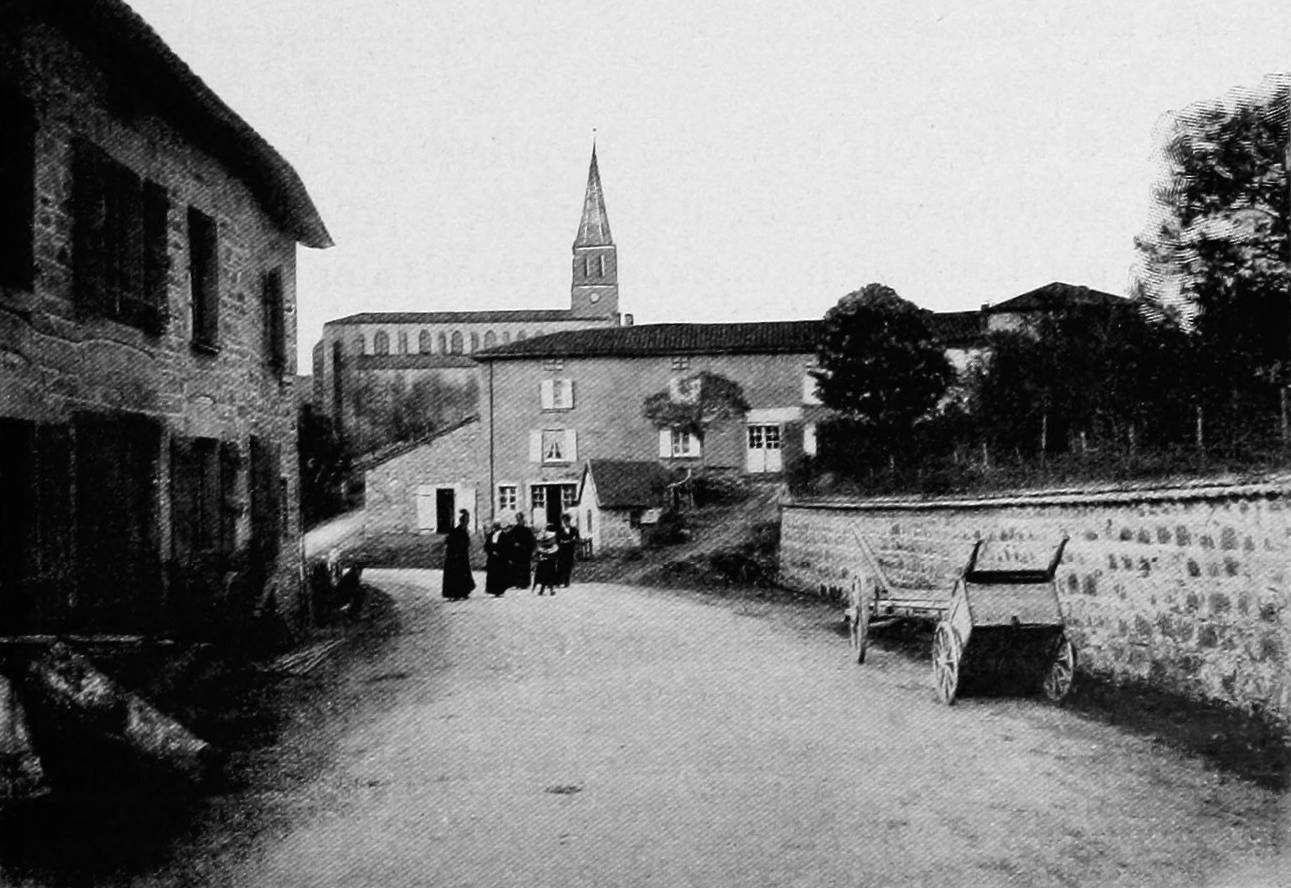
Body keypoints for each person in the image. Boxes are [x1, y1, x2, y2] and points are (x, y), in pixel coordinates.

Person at [441, 510, 476, 600]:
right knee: (456, 574)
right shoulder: (457, 531)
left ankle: (463, 592)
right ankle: (455, 593)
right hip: (455, 556)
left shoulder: (462, 530)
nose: (467, 523)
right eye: (466, 521)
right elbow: (450, 542)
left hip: (461, 555)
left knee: (463, 573)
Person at [507, 512, 536, 591]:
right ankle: (516, 583)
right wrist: (514, 543)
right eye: (517, 519)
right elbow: (508, 538)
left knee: (525, 567)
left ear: (523, 519)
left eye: (520, 519)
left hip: (525, 552)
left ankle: (524, 584)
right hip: (516, 552)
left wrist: (526, 548)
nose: (519, 521)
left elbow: (531, 541)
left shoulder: (527, 529)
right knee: (516, 567)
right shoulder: (514, 529)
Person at [483, 520, 509, 597]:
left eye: (497, 525)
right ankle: (492, 590)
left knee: (500, 574)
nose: (495, 527)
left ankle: (500, 591)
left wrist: (499, 553)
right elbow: (486, 546)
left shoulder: (504, 535)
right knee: (492, 574)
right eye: (494, 525)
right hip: (492, 557)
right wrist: (491, 552)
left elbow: (506, 546)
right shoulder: (491, 535)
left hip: (500, 558)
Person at [555, 512, 580, 588]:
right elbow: (557, 540)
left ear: (569, 521)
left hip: (570, 551)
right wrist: (561, 543)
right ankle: (559, 582)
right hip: (562, 551)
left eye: (567, 521)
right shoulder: (560, 530)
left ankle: (566, 582)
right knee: (560, 566)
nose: (566, 523)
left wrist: (574, 540)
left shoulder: (574, 530)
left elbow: (577, 538)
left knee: (568, 566)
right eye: (564, 521)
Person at [533, 524, 559, 596]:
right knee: (546, 576)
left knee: (548, 576)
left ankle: (548, 590)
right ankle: (547, 590)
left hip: (549, 560)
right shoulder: (545, 537)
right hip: (546, 560)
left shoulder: (551, 541)